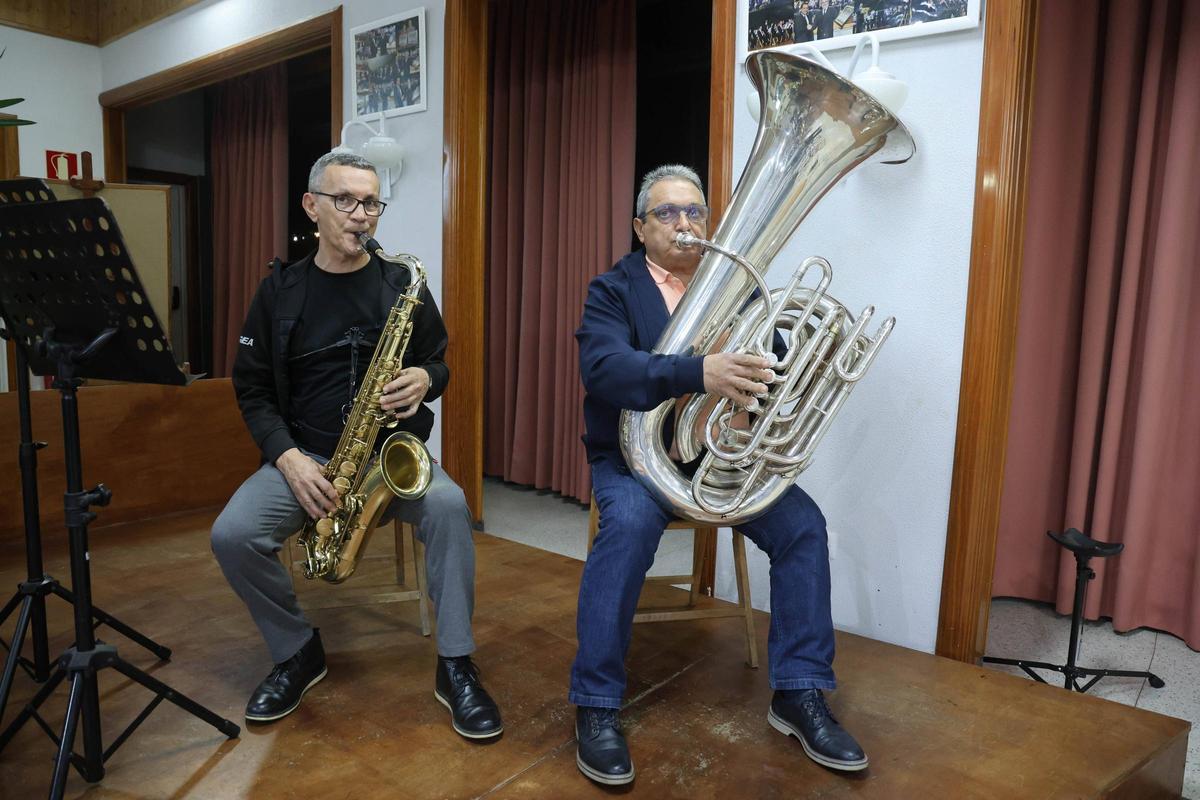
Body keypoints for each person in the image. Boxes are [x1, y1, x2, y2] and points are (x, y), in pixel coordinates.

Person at [570, 165, 867, 785]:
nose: (685, 223)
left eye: (695, 212)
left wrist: (778, 371)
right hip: (634, 460)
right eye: (667, 213)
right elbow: (605, 370)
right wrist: (698, 373)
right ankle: (596, 705)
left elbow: (773, 363)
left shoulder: (741, 287)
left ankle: (799, 691)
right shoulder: (613, 290)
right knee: (625, 531)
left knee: (803, 527)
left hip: (715, 457)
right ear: (638, 228)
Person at [211, 151, 502, 739]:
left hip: (387, 457)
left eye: (371, 202)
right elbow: (253, 388)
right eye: (345, 200)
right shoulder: (280, 292)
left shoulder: (403, 283)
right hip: (308, 457)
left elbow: (438, 362)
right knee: (232, 535)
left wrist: (427, 379)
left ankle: (456, 664)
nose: (361, 215)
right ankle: (296, 650)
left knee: (449, 507)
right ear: (312, 205)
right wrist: (287, 458)